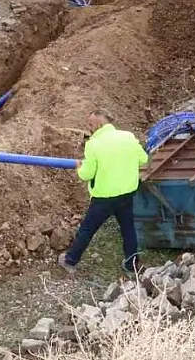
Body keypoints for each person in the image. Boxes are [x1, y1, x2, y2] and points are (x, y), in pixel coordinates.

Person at [58, 109, 148, 275]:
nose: (89, 127)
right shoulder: (127, 137)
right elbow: (143, 159)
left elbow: (87, 174)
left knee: (87, 229)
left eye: (90, 124)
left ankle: (70, 260)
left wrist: (80, 168)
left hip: (104, 197)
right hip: (127, 193)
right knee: (128, 228)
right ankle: (131, 264)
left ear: (100, 123)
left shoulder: (93, 144)